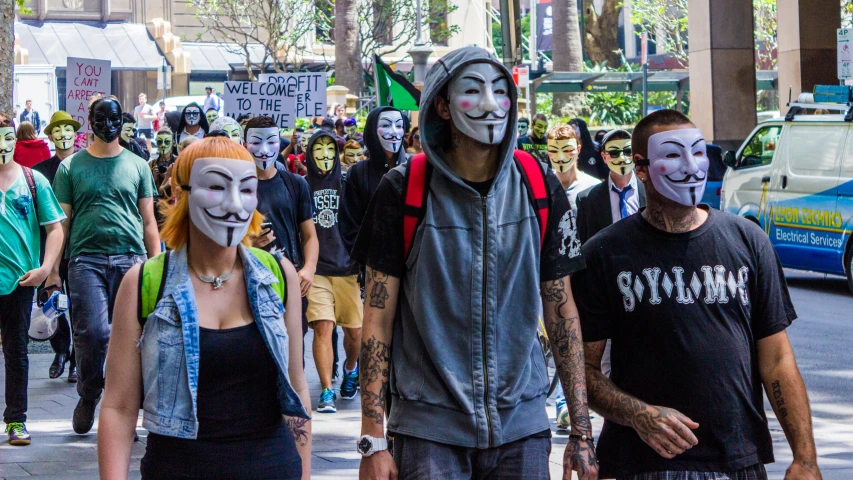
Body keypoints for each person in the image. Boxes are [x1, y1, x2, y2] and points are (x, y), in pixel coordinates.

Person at [352, 46, 596, 480]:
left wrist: (581, 432)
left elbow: (562, 310)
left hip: (523, 429)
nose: (490, 103)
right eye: (473, 90)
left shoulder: (537, 185)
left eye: (501, 91)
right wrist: (372, 439)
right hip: (429, 434)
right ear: (442, 107)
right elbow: (377, 318)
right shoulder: (403, 189)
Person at [574, 109, 821, 480]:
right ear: (640, 168)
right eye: (672, 154)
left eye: (698, 152)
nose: (690, 166)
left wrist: (805, 459)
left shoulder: (748, 240)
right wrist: (640, 415)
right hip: (644, 464)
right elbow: (583, 371)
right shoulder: (604, 254)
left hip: (738, 459)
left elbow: (777, 359)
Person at [97, 137, 312, 479]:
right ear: (180, 195)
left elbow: (297, 387)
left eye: (246, 189)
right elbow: (119, 406)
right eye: (215, 186)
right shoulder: (144, 283)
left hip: (272, 467)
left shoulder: (277, 276)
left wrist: (305, 472)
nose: (234, 204)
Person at [51, 97, 161, 435]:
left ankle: (129, 401)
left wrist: (158, 266)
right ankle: (89, 393)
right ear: (90, 121)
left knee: (136, 338)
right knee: (93, 335)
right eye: (101, 117)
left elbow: (148, 222)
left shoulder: (138, 165)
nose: (108, 124)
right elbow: (61, 224)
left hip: (132, 261)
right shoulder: (70, 167)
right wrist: (53, 270)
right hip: (86, 261)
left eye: (114, 117)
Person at [0, 116, 66, 446]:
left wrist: (45, 269)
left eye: (7, 136)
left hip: (20, 284)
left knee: (17, 354)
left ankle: (16, 420)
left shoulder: (33, 180)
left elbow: (56, 228)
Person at [304, 130, 362, 414]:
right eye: (318, 149)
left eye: (330, 150)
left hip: (348, 269)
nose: (324, 156)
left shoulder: (349, 182)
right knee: (323, 327)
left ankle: (351, 369)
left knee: (355, 333)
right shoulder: (302, 185)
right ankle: (327, 389)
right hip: (317, 269)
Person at [247, 116, 319, 346]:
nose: (264, 149)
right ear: (244, 143)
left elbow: (309, 236)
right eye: (256, 142)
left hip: (291, 282)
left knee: (293, 349)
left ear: (280, 142)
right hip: (249, 281)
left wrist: (308, 268)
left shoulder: (296, 184)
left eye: (271, 141)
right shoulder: (237, 185)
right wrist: (249, 242)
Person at [33, 111, 80, 383]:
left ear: (76, 134)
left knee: (79, 304)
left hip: (78, 247)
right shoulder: (40, 172)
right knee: (52, 301)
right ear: (50, 136)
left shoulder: (84, 165)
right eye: (57, 131)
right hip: (49, 248)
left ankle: (76, 360)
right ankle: (60, 350)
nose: (63, 136)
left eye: (68, 130)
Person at [339, 106, 410, 254]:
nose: (394, 131)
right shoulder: (358, 173)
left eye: (399, 125)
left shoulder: (414, 168)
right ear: (372, 130)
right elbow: (349, 224)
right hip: (373, 266)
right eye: (385, 125)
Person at [576, 128, 645, 244]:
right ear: (604, 157)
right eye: (614, 153)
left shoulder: (653, 192)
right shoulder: (587, 199)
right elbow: (585, 245)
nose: (622, 158)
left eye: (628, 151)